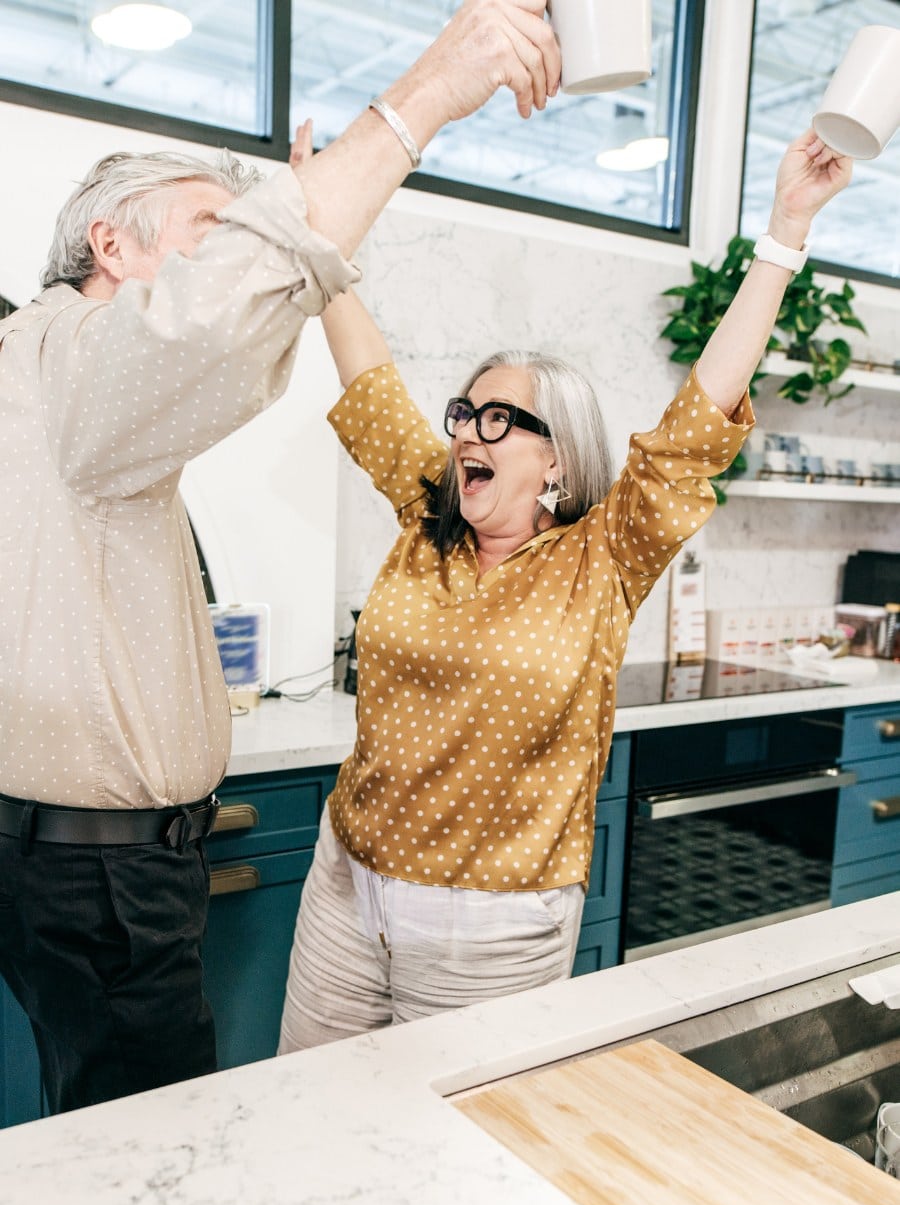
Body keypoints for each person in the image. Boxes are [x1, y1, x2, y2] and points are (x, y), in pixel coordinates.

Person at [0, 0, 562, 1115]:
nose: (474, 440)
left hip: (79, 865)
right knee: (152, 1150)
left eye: (512, 423)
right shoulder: (72, 373)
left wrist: (319, 239)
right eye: (209, 226)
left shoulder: (41, 377)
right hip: (105, 873)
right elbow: (229, 326)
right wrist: (428, 94)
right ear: (110, 245)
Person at [278, 128, 853, 1051]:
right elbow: (370, 376)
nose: (469, 432)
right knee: (307, 1121)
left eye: (500, 419)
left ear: (556, 455)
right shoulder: (430, 510)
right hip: (345, 887)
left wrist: (784, 232)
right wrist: (320, 229)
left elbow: (698, 418)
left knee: (452, 1158)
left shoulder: (604, 557)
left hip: (493, 926)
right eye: (466, 413)